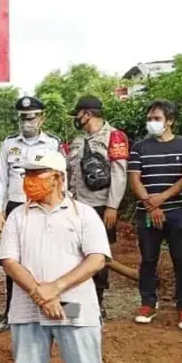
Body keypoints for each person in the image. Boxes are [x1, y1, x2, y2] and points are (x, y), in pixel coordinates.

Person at [0, 151, 112, 363]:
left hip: (75, 308)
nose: (29, 180)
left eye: (38, 174)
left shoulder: (83, 214)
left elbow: (97, 259)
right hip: (28, 308)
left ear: (58, 178)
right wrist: (40, 293)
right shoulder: (18, 216)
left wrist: (55, 289)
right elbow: (9, 262)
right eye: (27, 174)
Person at [0, 96, 62, 332]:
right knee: (13, 261)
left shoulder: (52, 144)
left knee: (45, 256)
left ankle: (48, 305)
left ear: (41, 117)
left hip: (43, 207)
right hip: (16, 207)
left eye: (31, 117)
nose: (27, 122)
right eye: (23, 118)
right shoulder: (9, 144)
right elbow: (0, 178)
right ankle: (11, 312)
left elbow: (60, 176)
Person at [127, 102, 182, 329]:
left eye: (156, 118)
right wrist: (151, 205)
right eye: (150, 118)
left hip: (178, 211)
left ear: (170, 120)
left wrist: (162, 199)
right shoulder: (139, 147)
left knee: (181, 260)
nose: (152, 122)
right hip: (147, 212)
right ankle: (148, 302)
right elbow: (135, 180)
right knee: (148, 260)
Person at [67, 95, 129, 318]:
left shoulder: (114, 136)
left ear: (87, 113)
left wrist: (112, 206)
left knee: (99, 255)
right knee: (75, 254)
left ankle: (98, 303)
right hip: (77, 206)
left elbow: (119, 174)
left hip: (102, 206)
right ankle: (79, 300)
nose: (76, 117)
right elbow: (70, 173)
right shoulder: (77, 140)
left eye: (78, 113)